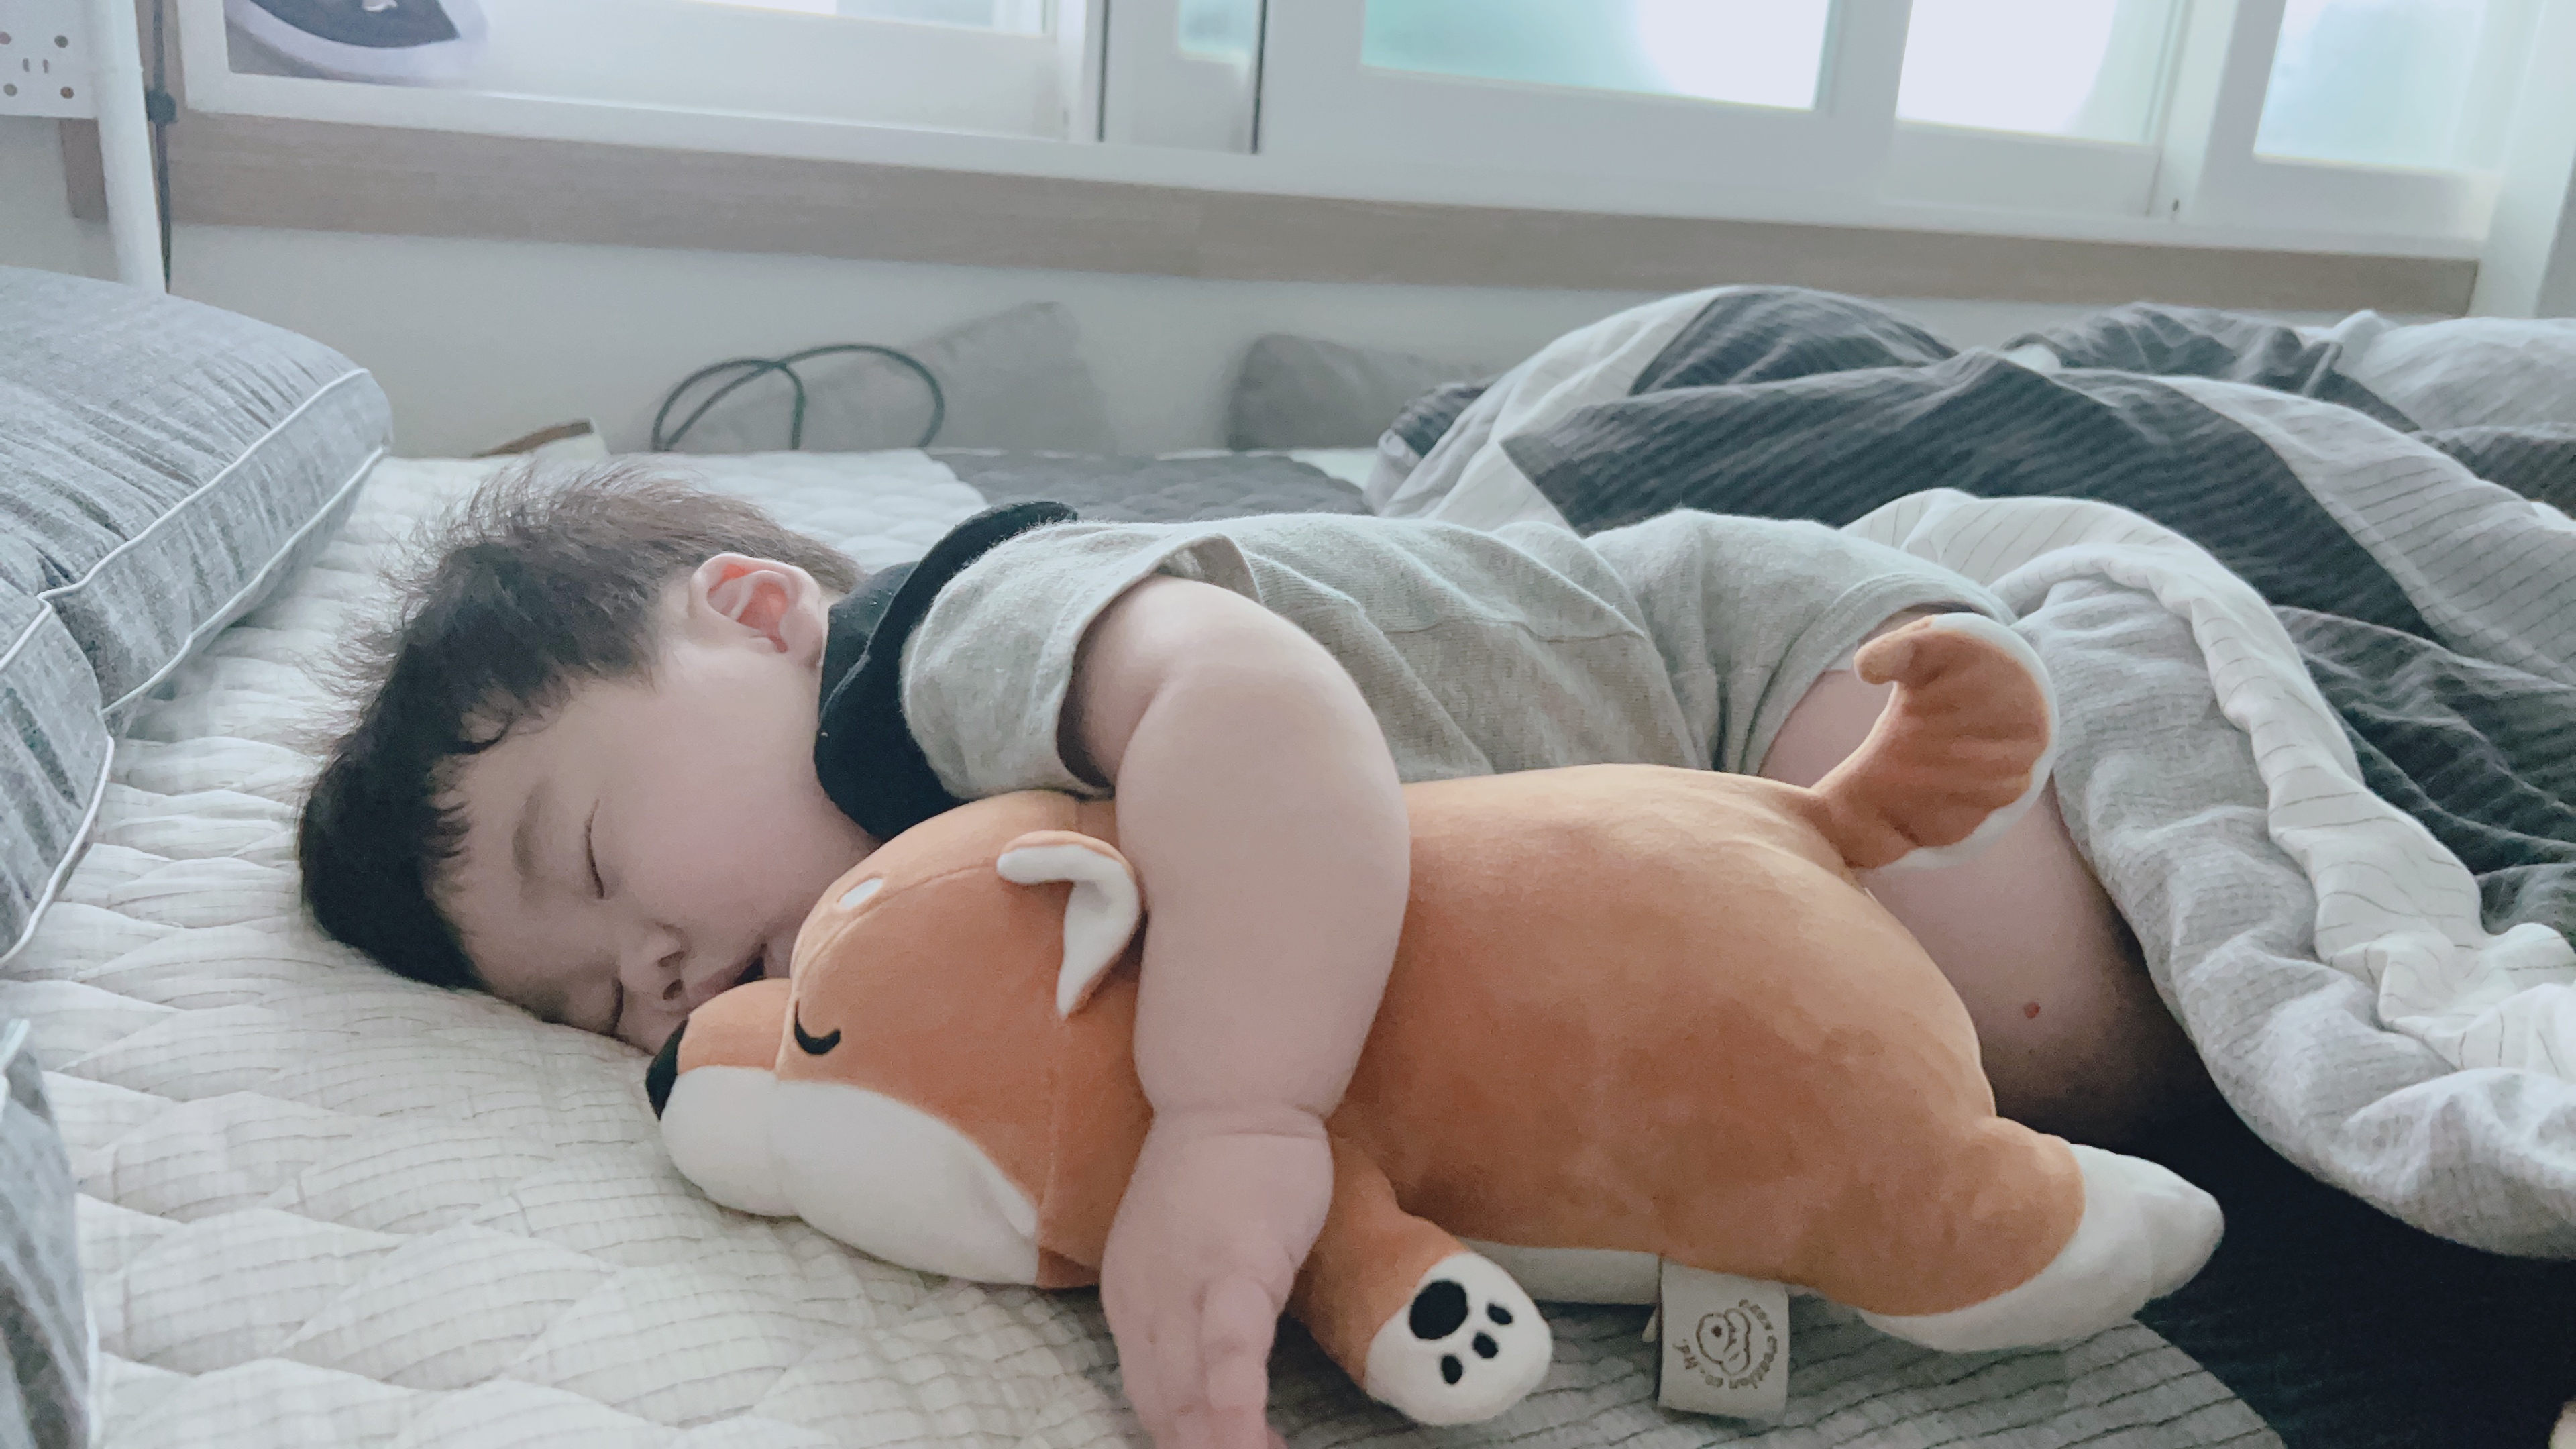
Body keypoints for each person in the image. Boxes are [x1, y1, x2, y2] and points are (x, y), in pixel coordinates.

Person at [299, 462, 2210, 1449]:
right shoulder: (925, 950)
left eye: (594, 858)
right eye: (584, 997)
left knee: (2069, 1043)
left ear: (752, 613)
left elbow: (1257, 708)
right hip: (1653, 916)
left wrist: (1237, 1117)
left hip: (1772, 682)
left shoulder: (952, 643)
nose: (651, 970)